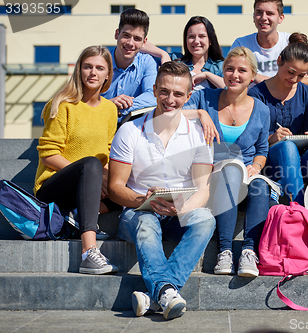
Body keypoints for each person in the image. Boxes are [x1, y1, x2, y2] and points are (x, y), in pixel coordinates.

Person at [108, 61, 215, 321]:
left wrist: (183, 208)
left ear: (189, 97)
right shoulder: (130, 131)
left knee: (206, 220)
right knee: (145, 222)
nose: (170, 99)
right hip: (137, 211)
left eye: (178, 94)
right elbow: (114, 188)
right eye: (164, 91)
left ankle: (158, 294)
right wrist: (142, 200)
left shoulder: (198, 136)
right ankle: (167, 291)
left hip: (179, 211)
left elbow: (203, 190)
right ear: (154, 90)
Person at [183, 47, 270, 277]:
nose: (235, 75)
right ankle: (225, 251)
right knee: (231, 170)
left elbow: (262, 150)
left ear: (252, 76)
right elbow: (172, 114)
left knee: (261, 185)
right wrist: (201, 114)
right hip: (211, 172)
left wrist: (257, 167)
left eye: (242, 70)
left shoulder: (261, 109)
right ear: (223, 72)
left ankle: (249, 251)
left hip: (246, 173)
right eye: (230, 69)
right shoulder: (205, 98)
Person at [34, 46, 119, 275]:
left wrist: (106, 177)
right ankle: (88, 252)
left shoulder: (110, 109)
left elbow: (108, 152)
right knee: (91, 164)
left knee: (125, 183)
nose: (93, 72)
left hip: (88, 184)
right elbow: (48, 154)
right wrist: (91, 172)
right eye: (88, 66)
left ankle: (77, 215)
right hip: (53, 187)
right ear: (79, 71)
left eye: (99, 68)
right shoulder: (63, 104)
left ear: (108, 74)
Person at [249, 40, 308, 205]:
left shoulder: (307, 93)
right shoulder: (256, 94)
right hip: (268, 159)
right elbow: (251, 139)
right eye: (291, 72)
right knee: (287, 147)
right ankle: (299, 207)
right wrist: (272, 138)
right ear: (279, 61)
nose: (295, 79)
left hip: (299, 158)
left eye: (302, 75)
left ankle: (280, 184)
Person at [231, 0, 308, 86]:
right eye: (259, 12)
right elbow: (230, 77)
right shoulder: (241, 44)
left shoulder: (293, 42)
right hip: (252, 100)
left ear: (280, 18)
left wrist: (283, 80)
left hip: (286, 100)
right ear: (253, 16)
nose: (263, 18)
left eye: (269, 13)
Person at [101, 8, 157, 123]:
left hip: (132, 129)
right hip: (98, 124)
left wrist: (122, 108)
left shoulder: (147, 62)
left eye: (137, 39)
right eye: (126, 35)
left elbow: (153, 95)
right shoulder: (100, 61)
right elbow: (82, 97)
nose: (130, 43)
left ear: (144, 42)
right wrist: (109, 105)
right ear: (117, 34)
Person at [141, 16, 225, 90]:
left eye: (201, 36)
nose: (196, 41)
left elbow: (231, 89)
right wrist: (163, 54)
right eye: (191, 36)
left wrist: (206, 75)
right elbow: (140, 44)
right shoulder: (176, 60)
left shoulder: (220, 66)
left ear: (210, 40)